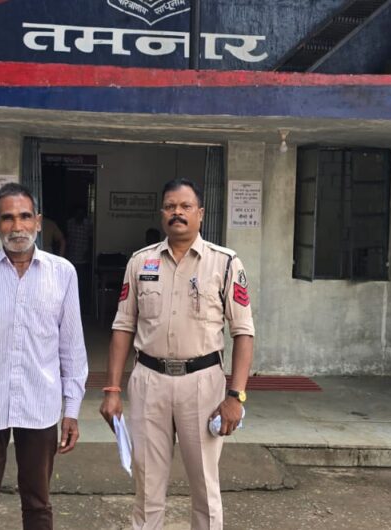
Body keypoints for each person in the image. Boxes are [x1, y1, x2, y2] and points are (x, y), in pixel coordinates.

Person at [100, 178, 254, 530]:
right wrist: (112, 389)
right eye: (170, 206)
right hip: (148, 382)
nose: (177, 213)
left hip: (202, 384)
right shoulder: (141, 262)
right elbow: (123, 326)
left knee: (204, 485)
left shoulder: (225, 263)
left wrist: (236, 396)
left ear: (201, 213)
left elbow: (244, 332)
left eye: (186, 206)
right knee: (147, 484)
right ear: (162, 214)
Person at [0, 182, 88, 530]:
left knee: (38, 503)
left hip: (40, 404)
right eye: (8, 218)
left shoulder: (62, 274)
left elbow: (72, 349)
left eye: (25, 216)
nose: (17, 226)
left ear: (38, 221)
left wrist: (71, 410)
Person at [65, 205, 93, 313]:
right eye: (78, 213)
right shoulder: (70, 223)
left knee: (82, 284)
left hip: (83, 259)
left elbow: (91, 239)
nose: (79, 215)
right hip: (71, 258)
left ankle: (83, 306)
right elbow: (66, 239)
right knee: (71, 284)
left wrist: (89, 253)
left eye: (81, 213)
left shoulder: (88, 224)